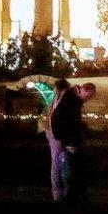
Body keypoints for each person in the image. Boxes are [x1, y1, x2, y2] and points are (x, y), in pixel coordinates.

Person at [47, 75, 88, 204]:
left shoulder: (58, 98)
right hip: (56, 134)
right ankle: (60, 192)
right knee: (60, 162)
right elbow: (57, 117)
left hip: (55, 133)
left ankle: (59, 192)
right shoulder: (63, 98)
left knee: (58, 161)